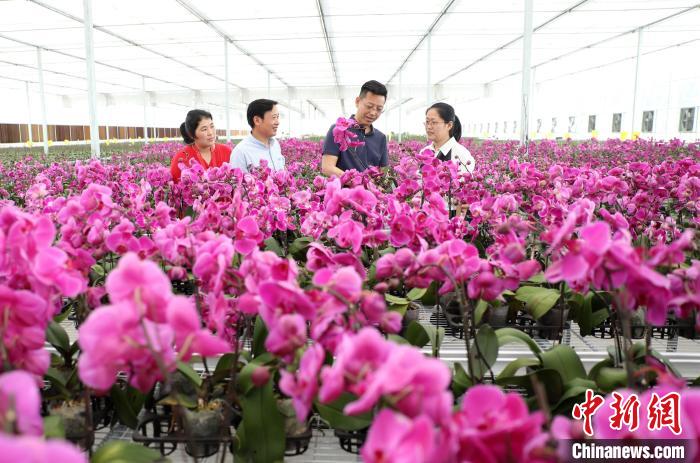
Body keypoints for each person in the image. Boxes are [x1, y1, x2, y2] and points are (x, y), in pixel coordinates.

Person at [321, 80, 389, 176]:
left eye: (379, 109)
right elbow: (327, 168)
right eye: (369, 106)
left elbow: (383, 172)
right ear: (357, 101)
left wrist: (380, 181)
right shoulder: (339, 129)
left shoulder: (381, 138)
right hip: (343, 186)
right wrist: (358, 180)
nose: (373, 113)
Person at [171, 109, 232, 182]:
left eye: (212, 126)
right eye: (204, 129)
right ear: (191, 135)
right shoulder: (181, 158)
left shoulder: (227, 151)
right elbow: (175, 186)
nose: (210, 133)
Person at [231, 99, 285, 173]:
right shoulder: (241, 152)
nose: (277, 122)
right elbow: (236, 179)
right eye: (274, 117)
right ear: (257, 120)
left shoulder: (275, 144)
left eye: (277, 117)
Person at [421, 102, 475, 174]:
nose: (429, 127)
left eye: (434, 122)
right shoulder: (424, 152)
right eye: (427, 122)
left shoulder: (461, 155)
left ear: (449, 125)